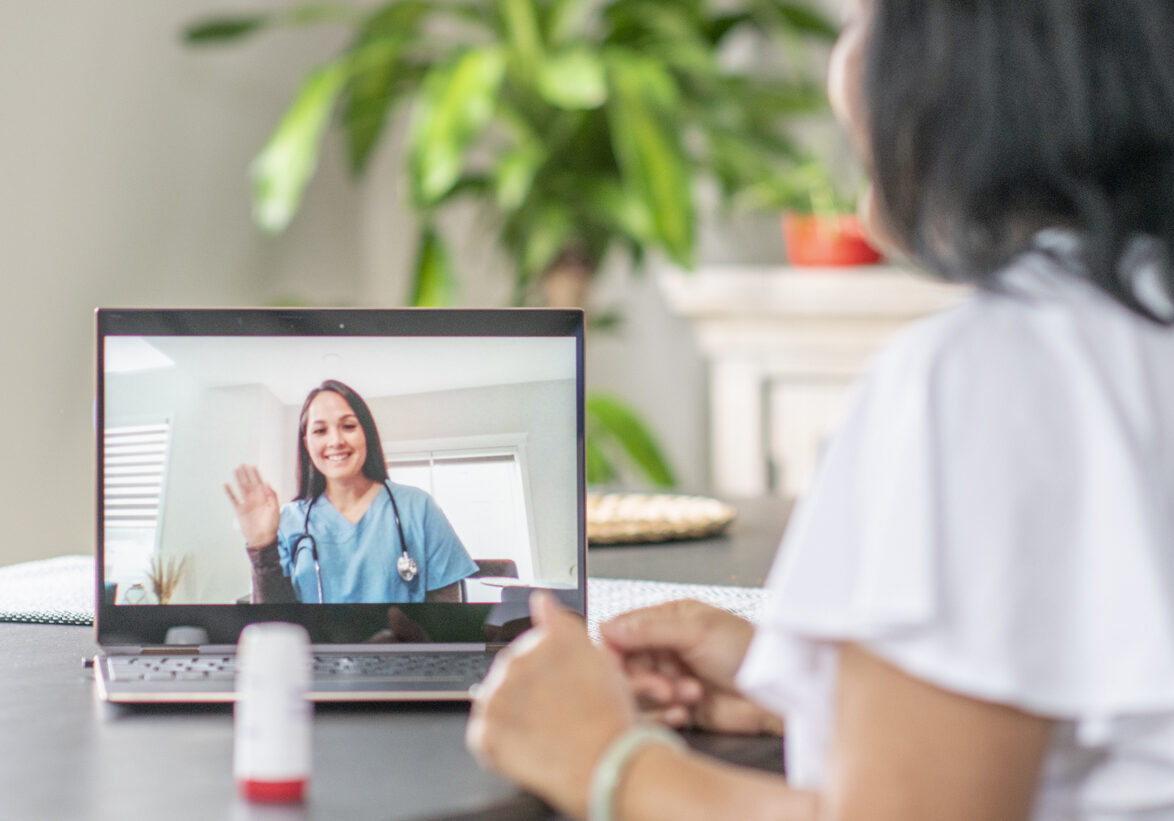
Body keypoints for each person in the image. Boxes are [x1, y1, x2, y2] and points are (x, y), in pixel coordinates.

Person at [465, 1, 1174, 819]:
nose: (849, 57)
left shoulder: (991, 374)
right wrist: (809, 693)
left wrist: (606, 759)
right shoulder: (1132, 323)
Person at [225, 379, 477, 603]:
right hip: (313, 656)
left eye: (348, 426)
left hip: (401, 653)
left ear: (366, 432)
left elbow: (447, 615)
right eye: (320, 430)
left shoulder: (418, 507)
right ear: (306, 443)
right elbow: (273, 626)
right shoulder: (289, 519)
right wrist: (261, 546)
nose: (335, 441)